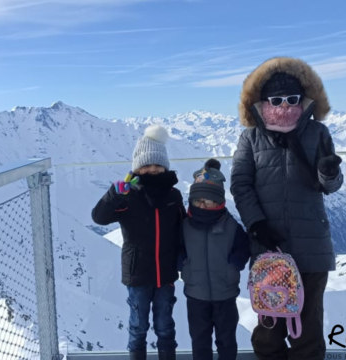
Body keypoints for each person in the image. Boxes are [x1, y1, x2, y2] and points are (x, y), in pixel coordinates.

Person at [230, 57, 344, 360]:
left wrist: (329, 174)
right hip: (269, 247)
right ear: (263, 101)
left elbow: (329, 187)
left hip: (311, 248)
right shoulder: (251, 138)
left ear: (304, 99)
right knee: (269, 328)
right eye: (276, 99)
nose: (284, 105)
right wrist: (256, 224)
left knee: (308, 329)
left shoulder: (318, 133)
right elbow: (240, 184)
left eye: (292, 99)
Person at [91, 124, 185, 360]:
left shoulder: (173, 196)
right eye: (146, 165)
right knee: (138, 327)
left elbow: (183, 229)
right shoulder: (127, 196)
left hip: (166, 274)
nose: (152, 170)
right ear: (136, 167)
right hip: (137, 274)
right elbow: (99, 217)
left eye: (157, 165)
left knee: (165, 327)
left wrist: (184, 261)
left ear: (165, 166)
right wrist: (113, 194)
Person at [178, 158, 250, 360]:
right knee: (199, 340)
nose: (201, 204)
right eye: (197, 200)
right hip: (196, 294)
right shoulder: (184, 226)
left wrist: (234, 264)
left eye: (207, 200)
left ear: (218, 201)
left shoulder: (230, 225)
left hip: (225, 294)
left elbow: (244, 247)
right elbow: (176, 248)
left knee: (226, 340)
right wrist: (183, 263)